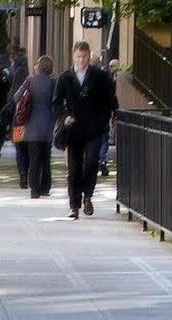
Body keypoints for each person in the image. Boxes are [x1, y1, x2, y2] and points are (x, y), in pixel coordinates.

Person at [52, 41, 115, 219]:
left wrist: (105, 118)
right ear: (73, 56)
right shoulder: (65, 77)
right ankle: (74, 204)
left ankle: (88, 195)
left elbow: (109, 99)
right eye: (78, 57)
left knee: (92, 161)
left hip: (94, 128)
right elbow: (56, 103)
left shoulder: (99, 76)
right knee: (74, 168)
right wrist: (65, 117)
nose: (81, 60)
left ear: (89, 56)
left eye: (84, 56)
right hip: (73, 130)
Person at [19, 55, 57, 200]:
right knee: (46, 157)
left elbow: (17, 97)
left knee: (34, 158)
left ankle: (34, 190)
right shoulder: (54, 82)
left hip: (32, 123)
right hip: (48, 123)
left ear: (38, 66)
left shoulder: (30, 81)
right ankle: (45, 187)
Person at [6, 47, 31, 188]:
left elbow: (10, 109)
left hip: (18, 124)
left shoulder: (13, 92)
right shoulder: (29, 87)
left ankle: (22, 175)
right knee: (27, 150)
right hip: (29, 124)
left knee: (20, 150)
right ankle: (27, 172)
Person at [97, 60, 121, 178]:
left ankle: (97, 160)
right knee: (104, 140)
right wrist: (115, 113)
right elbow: (114, 102)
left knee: (96, 140)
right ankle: (102, 159)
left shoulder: (93, 87)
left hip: (94, 119)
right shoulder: (109, 89)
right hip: (104, 118)